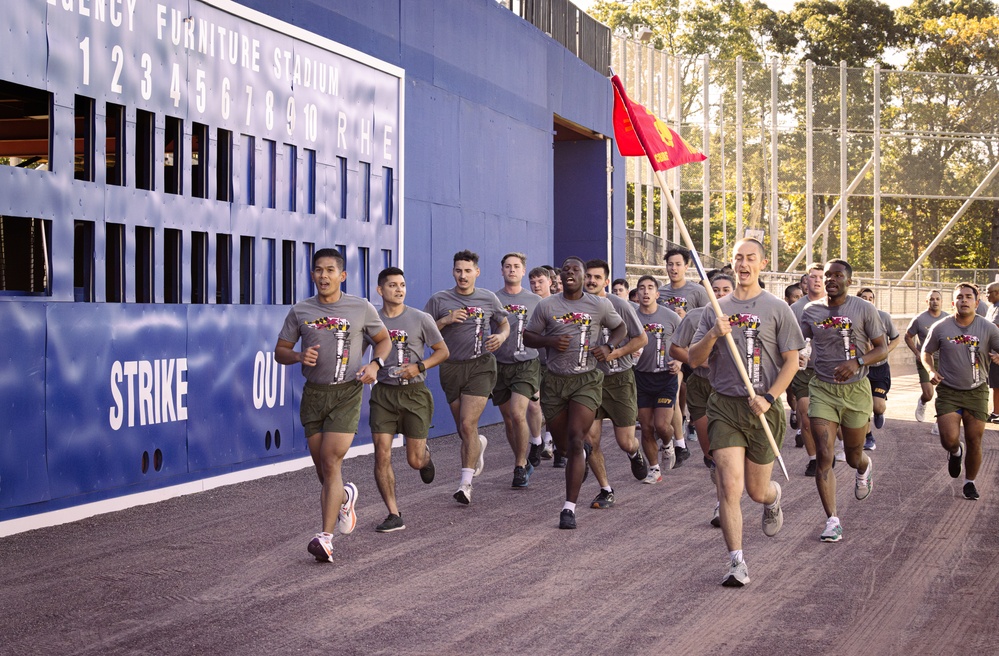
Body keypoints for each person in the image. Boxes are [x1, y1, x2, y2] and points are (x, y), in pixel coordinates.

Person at [689, 238, 802, 587]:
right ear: (732, 263)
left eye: (751, 258)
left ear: (762, 264)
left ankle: (773, 497)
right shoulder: (715, 307)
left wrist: (769, 397)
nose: (743, 263)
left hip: (762, 409)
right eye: (738, 257)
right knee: (729, 488)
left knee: (756, 491)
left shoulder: (777, 308)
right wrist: (713, 333)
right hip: (724, 405)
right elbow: (694, 360)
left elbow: (793, 362)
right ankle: (736, 561)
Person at [274, 248, 391, 562]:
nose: (323, 276)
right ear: (312, 274)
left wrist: (375, 365)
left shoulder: (360, 307)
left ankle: (325, 539)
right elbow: (280, 351)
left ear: (343, 275)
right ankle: (345, 497)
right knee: (323, 470)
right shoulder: (301, 311)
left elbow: (384, 339)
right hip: (314, 395)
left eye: (330, 270)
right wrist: (299, 356)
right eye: (318, 270)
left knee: (330, 461)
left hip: (347, 393)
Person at [523, 256, 626, 529]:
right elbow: (528, 336)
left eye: (575, 270)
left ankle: (568, 508)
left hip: (587, 380)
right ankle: (579, 450)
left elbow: (620, 327)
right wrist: (550, 340)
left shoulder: (600, 304)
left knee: (576, 439)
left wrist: (609, 347)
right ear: (560, 278)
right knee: (565, 447)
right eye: (565, 270)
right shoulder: (547, 305)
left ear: (583, 276)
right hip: (555, 382)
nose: (570, 273)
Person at [800, 259, 888, 544]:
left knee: (852, 456)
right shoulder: (810, 311)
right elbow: (796, 341)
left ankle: (864, 466)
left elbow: (882, 348)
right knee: (825, 455)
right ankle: (832, 521)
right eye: (827, 275)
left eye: (838, 275)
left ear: (849, 281)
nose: (831, 279)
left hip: (855, 390)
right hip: (823, 389)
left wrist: (857, 362)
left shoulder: (864, 309)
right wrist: (797, 354)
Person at [424, 250, 510, 505]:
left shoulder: (488, 298)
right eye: (459, 270)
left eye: (468, 270)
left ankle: (465, 485)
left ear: (477, 272)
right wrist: (446, 319)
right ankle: (477, 446)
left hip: (480, 366)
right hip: (450, 367)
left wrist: (502, 337)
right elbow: (425, 332)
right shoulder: (440, 299)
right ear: (453, 272)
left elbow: (504, 323)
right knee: (465, 430)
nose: (463, 275)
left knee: (467, 425)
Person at [369, 267, 450, 532]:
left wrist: (421, 367)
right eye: (392, 285)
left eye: (402, 285)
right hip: (384, 394)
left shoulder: (421, 318)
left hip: (414, 393)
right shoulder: (371, 320)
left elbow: (442, 351)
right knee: (382, 453)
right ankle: (393, 513)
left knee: (414, 460)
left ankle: (425, 457)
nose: (399, 289)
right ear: (380, 290)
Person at [921, 283, 999, 500]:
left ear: (976, 301)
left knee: (975, 439)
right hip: (949, 390)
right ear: (953, 302)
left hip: (976, 391)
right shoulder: (941, 327)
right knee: (949, 438)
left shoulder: (988, 328)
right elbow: (925, 352)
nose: (964, 300)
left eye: (968, 297)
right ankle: (955, 452)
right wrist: (930, 370)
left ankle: (969, 482)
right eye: (959, 297)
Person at [583, 259, 649, 508]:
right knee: (590, 440)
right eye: (588, 276)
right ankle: (605, 488)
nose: (591, 281)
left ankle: (634, 451)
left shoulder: (619, 305)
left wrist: (616, 353)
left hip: (619, 379)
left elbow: (641, 338)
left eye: (596, 277)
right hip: (589, 380)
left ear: (606, 281)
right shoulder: (578, 305)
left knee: (625, 441)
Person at [670, 271, 735, 526]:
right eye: (714, 289)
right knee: (712, 453)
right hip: (700, 385)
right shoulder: (696, 317)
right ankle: (722, 490)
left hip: (731, 388)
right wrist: (700, 360)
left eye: (724, 289)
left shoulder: (744, 317)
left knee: (726, 453)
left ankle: (724, 505)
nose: (719, 294)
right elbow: (675, 348)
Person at [493, 253, 543, 488]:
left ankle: (520, 465)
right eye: (507, 267)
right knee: (508, 420)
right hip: (500, 365)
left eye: (516, 267)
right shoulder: (492, 299)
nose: (512, 270)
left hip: (527, 364)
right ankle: (520, 460)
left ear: (523, 271)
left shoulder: (536, 301)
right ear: (502, 271)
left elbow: (547, 330)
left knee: (517, 413)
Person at [658, 247, 709, 465]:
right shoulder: (661, 292)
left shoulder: (697, 291)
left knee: (689, 393)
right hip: (673, 352)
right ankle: (679, 443)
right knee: (674, 395)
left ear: (686, 267)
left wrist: (686, 316)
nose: (674, 268)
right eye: (670, 264)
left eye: (678, 264)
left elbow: (709, 320)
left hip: (695, 351)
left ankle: (692, 430)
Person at [633, 275, 682, 483]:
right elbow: (623, 342)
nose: (646, 292)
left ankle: (668, 443)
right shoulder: (631, 317)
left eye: (650, 288)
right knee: (646, 427)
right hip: (641, 378)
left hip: (665, 377)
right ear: (637, 294)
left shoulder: (671, 317)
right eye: (642, 288)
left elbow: (685, 342)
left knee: (662, 426)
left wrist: (680, 362)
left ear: (657, 293)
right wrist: (629, 352)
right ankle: (654, 469)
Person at [789, 264, 825, 475]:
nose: (817, 280)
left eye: (821, 277)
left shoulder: (834, 306)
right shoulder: (795, 309)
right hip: (803, 371)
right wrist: (795, 355)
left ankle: (830, 450)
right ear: (806, 281)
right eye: (813, 277)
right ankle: (813, 459)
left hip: (830, 371)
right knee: (806, 414)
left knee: (831, 422)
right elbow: (784, 339)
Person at [857, 288, 902, 450]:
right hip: (861, 369)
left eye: (871, 298)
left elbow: (896, 339)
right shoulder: (854, 317)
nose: (868, 300)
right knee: (863, 406)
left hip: (880, 368)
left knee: (877, 406)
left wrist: (882, 352)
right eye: (864, 298)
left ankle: (879, 412)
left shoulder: (883, 317)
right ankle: (869, 437)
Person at [905, 290, 944, 430]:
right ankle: (922, 402)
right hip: (925, 359)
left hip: (944, 360)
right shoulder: (919, 319)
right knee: (929, 394)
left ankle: (939, 423)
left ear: (941, 301)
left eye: (937, 299)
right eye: (931, 299)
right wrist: (916, 352)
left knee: (944, 394)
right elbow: (907, 336)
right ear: (927, 302)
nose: (935, 301)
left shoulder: (947, 318)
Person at [528, 266, 556, 459]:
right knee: (534, 404)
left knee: (552, 405)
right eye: (533, 282)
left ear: (550, 283)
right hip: (532, 362)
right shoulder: (529, 304)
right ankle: (537, 441)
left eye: (540, 282)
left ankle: (550, 440)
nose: (536, 286)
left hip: (554, 362)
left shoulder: (557, 304)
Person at [985, 282, 999, 423]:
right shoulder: (992, 307)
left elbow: (994, 328)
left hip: (997, 354)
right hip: (992, 353)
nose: (987, 295)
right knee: (995, 384)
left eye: (990, 292)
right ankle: (996, 412)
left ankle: (997, 412)